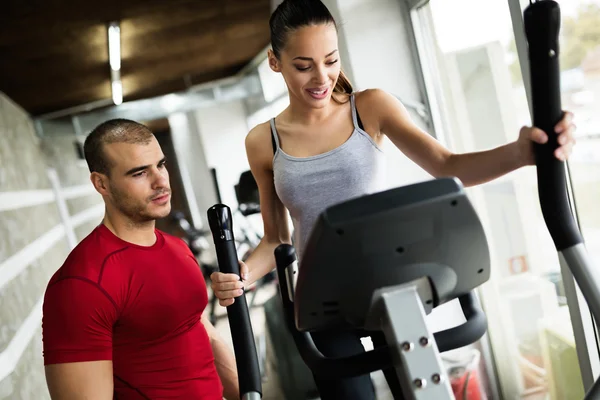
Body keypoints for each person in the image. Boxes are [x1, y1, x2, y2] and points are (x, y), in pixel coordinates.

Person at [210, 0, 578, 398]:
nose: (322, 77)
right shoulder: (263, 141)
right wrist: (242, 274)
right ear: (275, 61)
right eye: (304, 65)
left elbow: (446, 164)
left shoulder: (369, 107)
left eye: (331, 60)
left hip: (390, 284)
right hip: (323, 298)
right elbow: (277, 240)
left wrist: (521, 154)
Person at [41, 119, 239, 400]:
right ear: (102, 184)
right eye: (139, 173)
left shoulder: (178, 248)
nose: (160, 181)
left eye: (161, 164)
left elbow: (201, 330)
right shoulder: (82, 283)